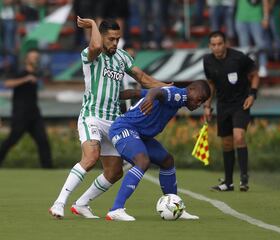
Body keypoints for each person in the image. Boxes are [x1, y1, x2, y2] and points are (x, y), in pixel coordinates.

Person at [49, 17, 170, 219]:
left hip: (114, 121)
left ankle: (81, 204)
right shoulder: (90, 54)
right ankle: (59, 203)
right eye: (111, 39)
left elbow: (143, 78)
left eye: (117, 39)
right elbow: (96, 44)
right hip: (91, 116)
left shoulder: (122, 57)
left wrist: (171, 88)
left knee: (114, 172)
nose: (115, 43)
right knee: (90, 157)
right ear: (102, 37)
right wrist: (94, 25)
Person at [106, 80, 211, 221]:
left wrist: (110, 96)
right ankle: (116, 209)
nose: (198, 104)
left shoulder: (179, 99)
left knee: (167, 161)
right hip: (125, 128)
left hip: (140, 134)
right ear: (191, 89)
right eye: (199, 99)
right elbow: (157, 91)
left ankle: (175, 206)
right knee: (142, 161)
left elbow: (136, 92)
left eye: (202, 102)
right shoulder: (178, 95)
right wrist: (150, 98)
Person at [203, 31, 260, 192]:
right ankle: (228, 182)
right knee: (227, 143)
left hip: (241, 104)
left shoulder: (238, 58)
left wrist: (252, 95)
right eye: (213, 45)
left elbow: (255, 75)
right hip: (223, 106)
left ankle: (243, 178)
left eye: (219, 44)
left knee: (239, 136)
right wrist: (207, 106)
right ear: (210, 46)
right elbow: (211, 84)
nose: (217, 47)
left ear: (225, 43)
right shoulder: (207, 61)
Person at [0, 48, 52, 168]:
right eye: (33, 57)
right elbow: (7, 84)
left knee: (43, 141)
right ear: (27, 59)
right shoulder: (21, 73)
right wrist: (26, 79)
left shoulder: (37, 74)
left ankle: (48, 168)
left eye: (36, 58)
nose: (35, 59)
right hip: (20, 114)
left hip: (34, 113)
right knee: (11, 140)